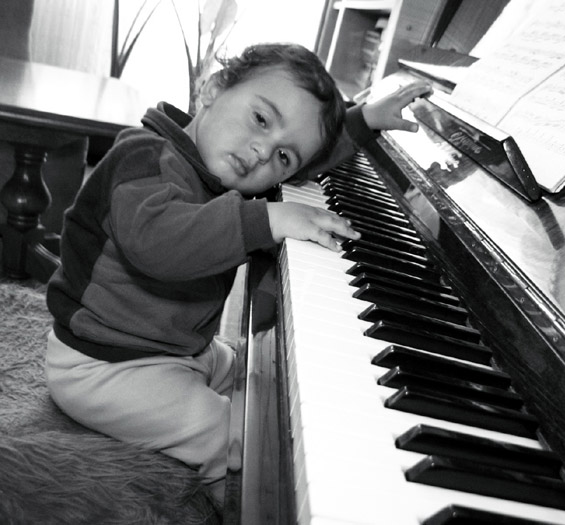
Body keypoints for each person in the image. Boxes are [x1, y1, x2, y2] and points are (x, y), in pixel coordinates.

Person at [44, 42, 430, 508]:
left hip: (176, 351)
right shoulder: (142, 158)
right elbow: (159, 244)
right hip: (98, 364)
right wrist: (267, 219)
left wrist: (364, 119)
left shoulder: (217, 171)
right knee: (224, 431)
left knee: (263, 386)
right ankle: (226, 506)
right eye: (261, 119)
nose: (262, 151)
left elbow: (310, 156)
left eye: (283, 157)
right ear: (212, 89)